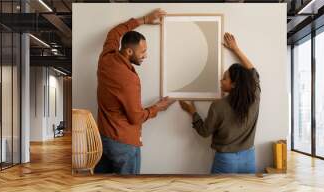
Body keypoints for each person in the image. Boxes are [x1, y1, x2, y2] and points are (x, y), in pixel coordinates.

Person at [95, 9, 174, 174]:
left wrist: (144, 19)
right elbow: (136, 117)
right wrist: (157, 108)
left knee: (102, 189)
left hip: (104, 138)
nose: (145, 55)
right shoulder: (130, 80)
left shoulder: (106, 57)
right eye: (142, 52)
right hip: (124, 143)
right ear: (129, 51)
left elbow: (115, 32)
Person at [179, 32, 261, 174]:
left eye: (224, 79)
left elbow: (204, 132)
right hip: (249, 158)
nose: (221, 81)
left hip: (226, 160)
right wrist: (235, 49)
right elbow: (253, 72)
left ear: (234, 84)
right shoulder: (255, 96)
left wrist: (192, 111)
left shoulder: (218, 106)